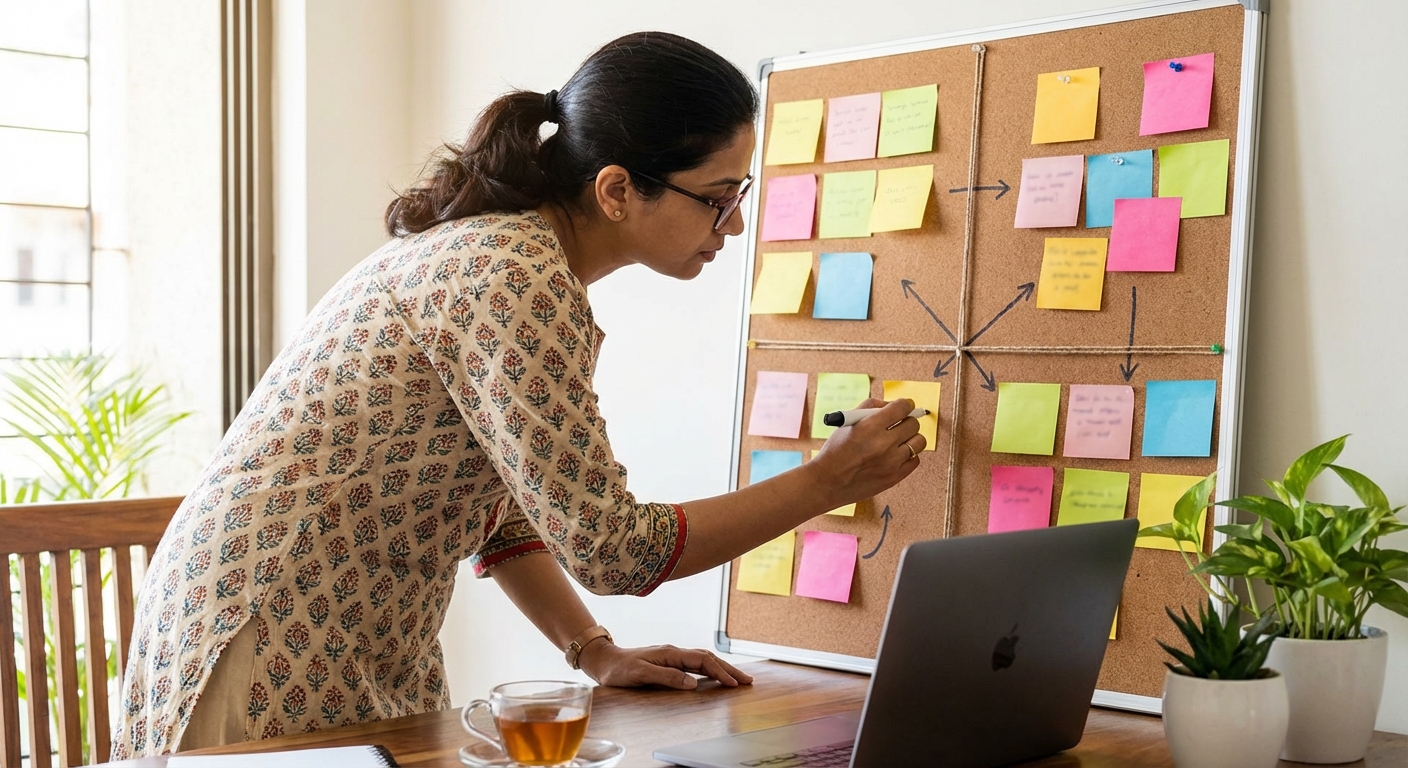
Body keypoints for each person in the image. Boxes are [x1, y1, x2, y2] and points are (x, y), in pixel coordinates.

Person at [114, 31, 924, 758]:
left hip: (344, 627)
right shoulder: (515, 275)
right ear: (616, 191)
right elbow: (613, 549)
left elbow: (500, 511)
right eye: (717, 197)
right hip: (270, 627)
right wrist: (828, 480)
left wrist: (592, 650)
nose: (733, 225)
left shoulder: (517, 262)